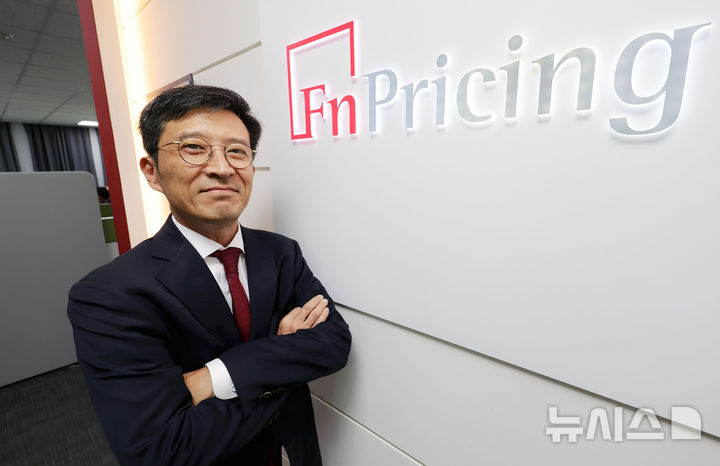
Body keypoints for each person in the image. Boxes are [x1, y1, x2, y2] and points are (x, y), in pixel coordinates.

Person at [67, 85, 351, 466]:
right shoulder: (109, 295)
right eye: (194, 148)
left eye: (237, 151)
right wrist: (284, 352)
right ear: (152, 172)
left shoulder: (281, 253)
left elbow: (334, 342)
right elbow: (161, 451)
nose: (222, 168)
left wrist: (216, 375)